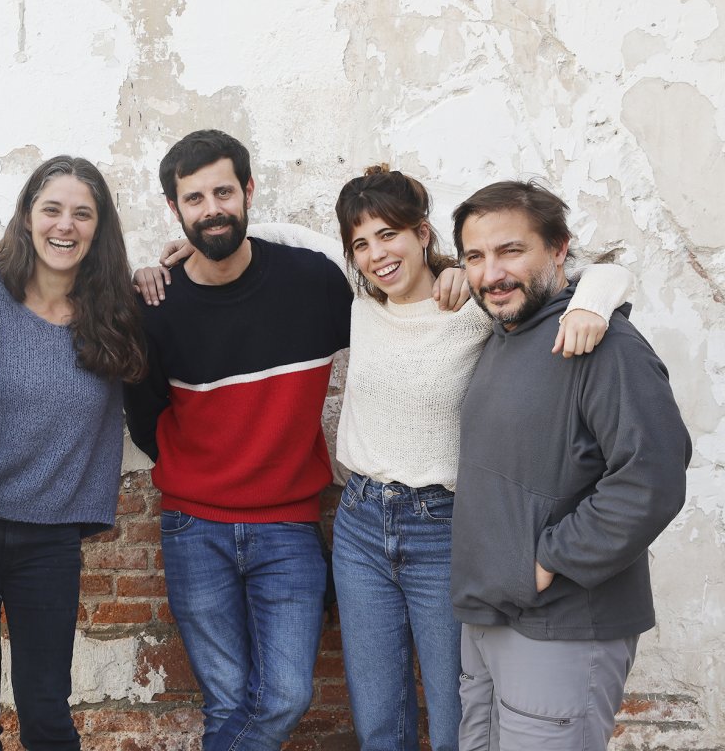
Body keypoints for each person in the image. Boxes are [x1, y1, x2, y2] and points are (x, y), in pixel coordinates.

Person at [135, 165, 631, 750]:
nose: (376, 255)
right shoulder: (357, 303)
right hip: (360, 526)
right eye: (361, 244)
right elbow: (272, 235)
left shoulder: (478, 304)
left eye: (389, 234)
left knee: (454, 716)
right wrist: (186, 245)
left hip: (443, 528)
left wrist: (590, 307)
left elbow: (605, 269)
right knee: (378, 721)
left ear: (423, 232)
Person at [121, 129, 349, 750]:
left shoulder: (313, 281)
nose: (211, 208)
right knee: (225, 702)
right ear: (175, 209)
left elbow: (385, 279)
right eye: (193, 199)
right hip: (195, 525)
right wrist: (197, 470)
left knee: (285, 696)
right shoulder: (156, 305)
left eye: (224, 191)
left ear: (249, 192)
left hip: (289, 525)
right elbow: (144, 414)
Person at [451, 181, 690, 751]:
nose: (491, 274)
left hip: (561, 626)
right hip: (489, 617)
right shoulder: (503, 335)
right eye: (475, 258)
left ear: (558, 249)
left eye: (511, 251)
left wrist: (546, 561)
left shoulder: (605, 346)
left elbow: (652, 477)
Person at [0, 155, 147, 750]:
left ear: (98, 228)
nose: (65, 225)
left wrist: (164, 270)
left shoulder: (116, 314)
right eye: (51, 209)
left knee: (46, 710)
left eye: (83, 213)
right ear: (27, 217)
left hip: (50, 542)